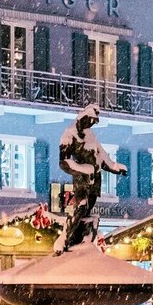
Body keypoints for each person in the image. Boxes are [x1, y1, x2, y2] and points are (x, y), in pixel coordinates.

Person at [56, 105, 127, 253]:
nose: (92, 124)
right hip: (82, 180)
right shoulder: (69, 134)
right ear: (84, 118)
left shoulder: (91, 135)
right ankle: (65, 239)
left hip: (95, 180)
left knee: (88, 211)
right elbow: (64, 162)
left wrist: (115, 167)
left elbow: (101, 157)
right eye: (91, 121)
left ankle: (83, 239)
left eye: (94, 122)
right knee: (80, 207)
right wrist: (83, 170)